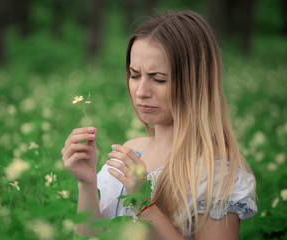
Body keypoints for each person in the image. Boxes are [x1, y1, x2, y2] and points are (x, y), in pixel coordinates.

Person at [61, 10, 257, 240]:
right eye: (135, 75)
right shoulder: (131, 150)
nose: (141, 92)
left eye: (158, 79)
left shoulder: (213, 171)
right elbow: (88, 236)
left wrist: (143, 204)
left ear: (195, 82)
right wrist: (87, 182)